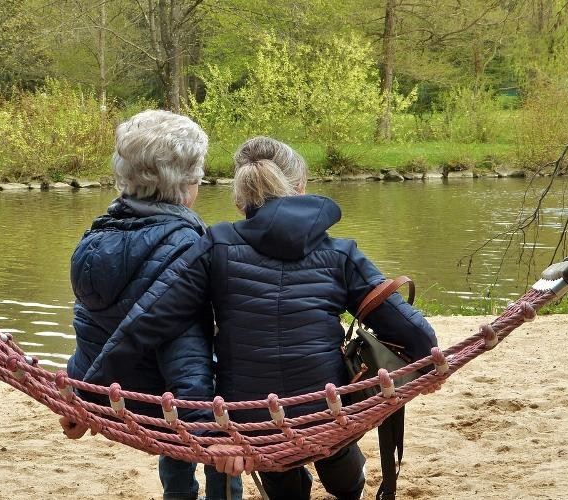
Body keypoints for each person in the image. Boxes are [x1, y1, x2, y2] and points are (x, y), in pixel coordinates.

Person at [85, 136, 438, 500]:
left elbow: (150, 320)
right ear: (300, 187)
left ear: (241, 199)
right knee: (334, 442)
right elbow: (412, 331)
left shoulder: (215, 244)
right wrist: (429, 364)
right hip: (326, 413)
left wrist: (86, 395)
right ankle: (349, 485)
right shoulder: (341, 253)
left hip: (252, 422)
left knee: (274, 457)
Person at [60, 109, 242, 500]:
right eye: (199, 175)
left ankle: (177, 492)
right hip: (166, 401)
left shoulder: (94, 240)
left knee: (176, 420)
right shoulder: (190, 248)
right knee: (224, 405)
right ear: (187, 184)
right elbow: (185, 349)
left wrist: (81, 394)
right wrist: (207, 432)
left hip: (115, 391)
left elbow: (90, 327)